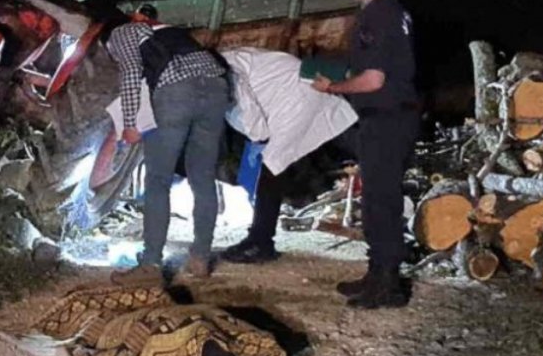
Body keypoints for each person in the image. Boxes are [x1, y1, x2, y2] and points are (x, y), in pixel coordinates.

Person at [312, 0, 420, 309]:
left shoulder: (376, 16)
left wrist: (334, 87)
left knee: (381, 201)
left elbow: (373, 80)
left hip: (385, 119)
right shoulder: (397, 12)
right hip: (398, 116)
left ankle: (387, 285)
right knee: (380, 198)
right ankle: (378, 274)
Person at [103, 17, 229, 284]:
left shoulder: (121, 33)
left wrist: (129, 124)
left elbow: (130, 74)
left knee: (158, 180)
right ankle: (200, 259)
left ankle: (150, 265)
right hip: (217, 88)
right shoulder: (173, 30)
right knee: (203, 177)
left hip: (176, 94)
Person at [218, 48, 358, 264]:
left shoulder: (232, 80)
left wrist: (258, 138)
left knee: (273, 166)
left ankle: (261, 242)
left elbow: (257, 129)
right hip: (290, 88)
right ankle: (260, 238)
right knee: (276, 162)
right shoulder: (225, 62)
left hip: (296, 98)